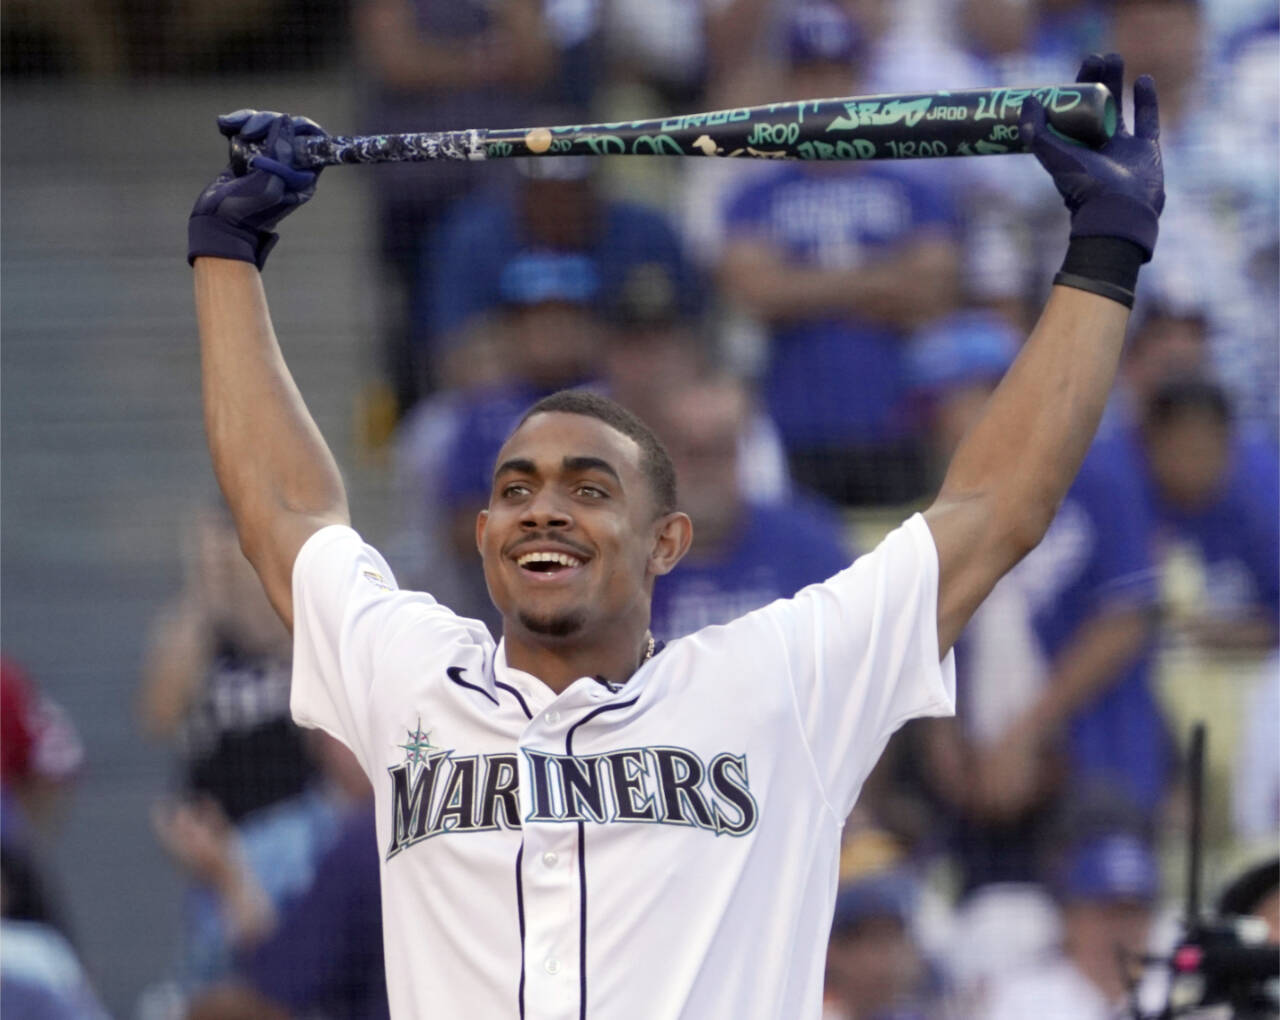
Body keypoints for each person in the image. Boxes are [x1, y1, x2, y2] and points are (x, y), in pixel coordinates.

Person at [185, 54, 1164, 1017]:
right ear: (482, 539)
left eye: (588, 486)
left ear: (666, 540)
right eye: (516, 489)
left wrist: (1104, 250)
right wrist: (229, 261)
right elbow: (287, 512)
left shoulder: (773, 685)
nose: (543, 507)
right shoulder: (412, 676)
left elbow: (993, 510)